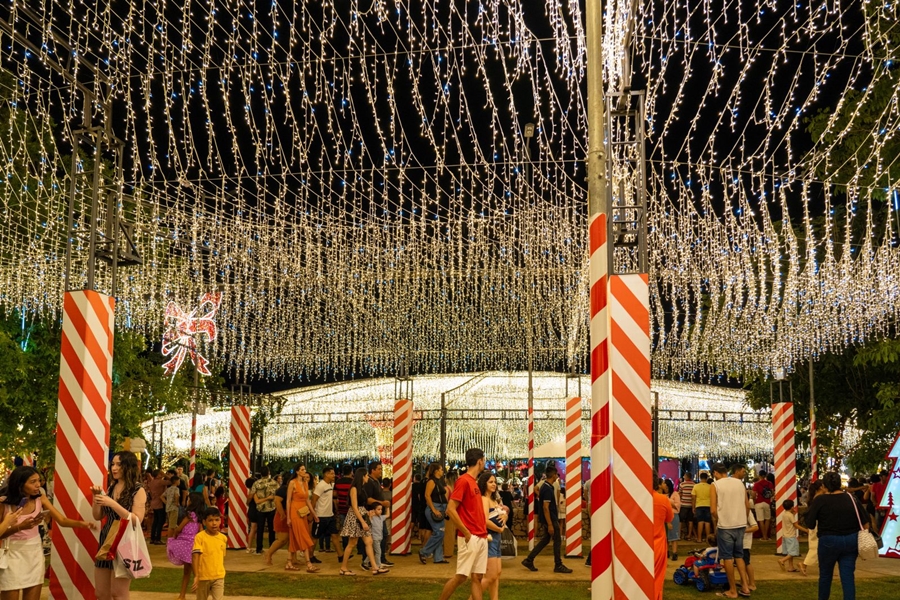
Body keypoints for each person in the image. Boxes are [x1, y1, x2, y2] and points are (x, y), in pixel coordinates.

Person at [0, 467, 93, 600]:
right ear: (20, 484)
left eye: (39, 480)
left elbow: (61, 520)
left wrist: (83, 524)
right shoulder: (4, 503)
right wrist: (19, 527)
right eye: (33, 482)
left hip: (34, 553)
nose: (38, 485)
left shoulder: (40, 499)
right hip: (11, 553)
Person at [92, 452, 147, 600]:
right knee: (100, 593)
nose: (114, 468)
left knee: (118, 594)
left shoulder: (138, 489)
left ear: (128, 466)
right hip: (106, 540)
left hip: (124, 541)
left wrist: (112, 503)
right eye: (113, 464)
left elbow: (137, 519)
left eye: (119, 464)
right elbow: (97, 516)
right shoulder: (112, 487)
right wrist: (96, 497)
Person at [804, 471, 867, 600]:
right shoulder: (851, 498)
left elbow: (810, 524)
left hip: (828, 540)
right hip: (851, 539)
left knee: (825, 575)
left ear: (824, 486)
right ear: (840, 484)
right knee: (848, 576)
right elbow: (865, 520)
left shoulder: (820, 500)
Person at [438, 448, 489, 600]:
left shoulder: (473, 482)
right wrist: (466, 532)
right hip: (470, 536)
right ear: (479, 461)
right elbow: (450, 509)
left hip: (480, 535)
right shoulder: (464, 481)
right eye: (484, 460)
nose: (484, 462)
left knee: (477, 577)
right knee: (461, 576)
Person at [709, 463, 751, 599]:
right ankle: (745, 586)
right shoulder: (739, 483)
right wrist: (743, 519)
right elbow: (747, 505)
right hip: (740, 524)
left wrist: (719, 519)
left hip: (725, 526)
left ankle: (733, 590)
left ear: (715, 473)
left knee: (727, 557)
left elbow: (713, 510)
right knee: (739, 556)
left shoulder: (715, 485)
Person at [521, 465, 571, 573]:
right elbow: (545, 507)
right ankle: (558, 564)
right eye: (556, 475)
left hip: (549, 518)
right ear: (554, 475)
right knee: (557, 541)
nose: (557, 476)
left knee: (545, 540)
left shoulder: (545, 486)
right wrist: (550, 524)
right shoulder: (548, 489)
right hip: (551, 519)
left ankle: (529, 559)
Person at [338, 467, 385, 576]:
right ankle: (343, 568)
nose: (367, 477)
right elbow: (354, 507)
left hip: (362, 514)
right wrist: (362, 521)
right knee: (352, 543)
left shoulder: (362, 488)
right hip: (355, 517)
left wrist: (368, 513)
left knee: (369, 542)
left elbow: (361, 505)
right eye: (366, 475)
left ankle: (375, 567)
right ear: (362, 476)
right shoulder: (354, 489)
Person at [473, 472, 506, 600]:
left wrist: (505, 516)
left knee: (497, 574)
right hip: (489, 538)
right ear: (484, 483)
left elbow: (503, 512)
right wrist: (499, 528)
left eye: (495, 482)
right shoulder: (484, 499)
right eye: (490, 482)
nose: (494, 484)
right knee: (490, 576)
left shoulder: (494, 499)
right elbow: (484, 521)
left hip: (497, 538)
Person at [167, 493, 206, 600]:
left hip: (185, 544)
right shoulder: (199, 517)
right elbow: (200, 531)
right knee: (195, 573)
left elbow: (179, 528)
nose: (187, 501)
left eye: (189, 499)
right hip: (194, 545)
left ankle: (183, 595)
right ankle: (194, 596)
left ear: (192, 502)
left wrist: (175, 535)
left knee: (189, 573)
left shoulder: (189, 515)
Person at [285, 464, 320, 572]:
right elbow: (288, 500)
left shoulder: (305, 483)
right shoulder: (292, 483)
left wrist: (314, 514)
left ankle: (289, 562)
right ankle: (308, 563)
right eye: (302, 469)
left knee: (295, 537)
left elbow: (307, 500)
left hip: (303, 512)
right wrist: (288, 517)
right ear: (297, 471)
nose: (305, 471)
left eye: (305, 469)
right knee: (304, 536)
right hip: (295, 512)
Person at [361, 461, 392, 569]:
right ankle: (370, 560)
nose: (381, 471)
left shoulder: (377, 481)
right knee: (373, 538)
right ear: (372, 470)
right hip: (372, 515)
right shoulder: (369, 482)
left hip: (379, 514)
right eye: (379, 469)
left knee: (382, 535)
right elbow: (368, 499)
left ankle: (379, 559)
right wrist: (382, 503)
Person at [191, 507, 227, 600]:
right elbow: (195, 556)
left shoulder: (223, 538)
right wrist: (196, 575)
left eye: (217, 520)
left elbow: (222, 556)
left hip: (219, 576)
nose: (214, 523)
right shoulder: (200, 537)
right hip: (203, 577)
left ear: (220, 521)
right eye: (210, 520)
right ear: (204, 522)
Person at [419, 462, 449, 564]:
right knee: (439, 532)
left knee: (439, 532)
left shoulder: (438, 481)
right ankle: (424, 552)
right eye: (441, 469)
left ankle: (438, 557)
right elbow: (427, 495)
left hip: (440, 508)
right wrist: (434, 510)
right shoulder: (431, 481)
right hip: (435, 508)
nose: (442, 471)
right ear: (436, 471)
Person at [312, 466, 343, 558]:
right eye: (332, 473)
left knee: (335, 535)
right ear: (326, 474)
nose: (334, 475)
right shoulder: (321, 486)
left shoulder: (330, 485)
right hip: (321, 516)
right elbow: (314, 500)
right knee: (315, 537)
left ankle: (341, 556)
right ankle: (310, 556)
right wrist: (312, 514)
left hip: (330, 515)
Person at [652, 476, 674, 600]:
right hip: (657, 544)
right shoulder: (662, 499)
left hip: (637, 545)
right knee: (656, 578)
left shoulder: (633, 499)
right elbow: (669, 518)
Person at [249, 466, 277, 556]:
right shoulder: (274, 483)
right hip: (271, 507)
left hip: (260, 508)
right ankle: (272, 548)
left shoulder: (256, 483)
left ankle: (259, 549)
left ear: (260, 473)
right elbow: (277, 494)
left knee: (260, 529)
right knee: (271, 529)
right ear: (268, 472)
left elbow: (252, 494)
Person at [263, 472, 290, 566]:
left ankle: (292, 558)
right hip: (283, 515)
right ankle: (269, 554)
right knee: (282, 539)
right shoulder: (283, 489)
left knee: (290, 539)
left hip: (290, 514)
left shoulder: (290, 488)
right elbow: (277, 501)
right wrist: (282, 514)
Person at [800, 480, 825, 576]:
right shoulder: (819, 498)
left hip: (815, 524)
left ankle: (807, 565)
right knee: (816, 546)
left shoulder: (815, 498)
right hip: (817, 524)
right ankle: (804, 564)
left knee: (817, 546)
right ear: (821, 487)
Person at [777, 499, 806, 573]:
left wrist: (793, 514)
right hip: (791, 536)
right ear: (792, 507)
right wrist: (806, 530)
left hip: (785, 536)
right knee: (793, 552)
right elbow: (795, 525)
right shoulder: (790, 515)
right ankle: (782, 560)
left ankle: (791, 567)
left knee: (790, 552)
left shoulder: (785, 514)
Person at [742, 494, 759, 592]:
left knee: (746, 562)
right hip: (738, 542)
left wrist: (743, 531)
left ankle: (752, 583)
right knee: (741, 563)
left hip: (745, 542)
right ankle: (744, 582)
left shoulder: (748, 512)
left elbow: (755, 527)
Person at [752, 470, 775, 540]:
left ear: (759, 475)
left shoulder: (756, 484)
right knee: (767, 519)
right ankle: (766, 536)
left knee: (760, 520)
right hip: (767, 503)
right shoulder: (770, 483)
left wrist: (754, 501)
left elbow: (753, 494)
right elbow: (772, 493)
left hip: (758, 503)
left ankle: (764, 536)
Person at [148, 469, 169, 544]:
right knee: (161, 521)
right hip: (160, 503)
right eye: (160, 473)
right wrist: (165, 475)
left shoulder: (151, 482)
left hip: (154, 502)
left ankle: (152, 538)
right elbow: (172, 481)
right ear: (157, 475)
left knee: (155, 521)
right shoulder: (160, 482)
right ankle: (157, 539)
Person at [692, 472, 712, 543]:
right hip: (708, 505)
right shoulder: (710, 486)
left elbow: (693, 498)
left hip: (699, 505)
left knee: (700, 522)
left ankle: (699, 538)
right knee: (707, 522)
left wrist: (693, 507)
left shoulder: (696, 486)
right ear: (707, 478)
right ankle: (707, 539)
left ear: (700, 478)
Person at [369, 503, 388, 571]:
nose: (380, 511)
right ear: (374, 510)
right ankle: (378, 565)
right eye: (378, 509)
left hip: (380, 537)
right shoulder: (372, 518)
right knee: (378, 552)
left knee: (374, 552)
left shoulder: (381, 517)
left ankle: (365, 562)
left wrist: (387, 507)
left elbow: (388, 515)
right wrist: (370, 514)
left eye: (381, 509)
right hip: (375, 537)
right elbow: (369, 521)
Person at [666, 479, 681, 561]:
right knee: (666, 536)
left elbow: (677, 506)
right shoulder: (662, 494)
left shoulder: (675, 494)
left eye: (667, 487)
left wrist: (668, 502)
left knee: (674, 536)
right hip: (665, 516)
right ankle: (666, 552)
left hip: (673, 516)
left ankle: (675, 553)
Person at [679, 472, 696, 541]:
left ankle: (679, 535)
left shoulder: (682, 484)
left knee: (680, 520)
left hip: (683, 504)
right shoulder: (694, 485)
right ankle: (689, 535)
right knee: (690, 520)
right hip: (691, 505)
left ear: (686, 477)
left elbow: (680, 494)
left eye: (684, 476)